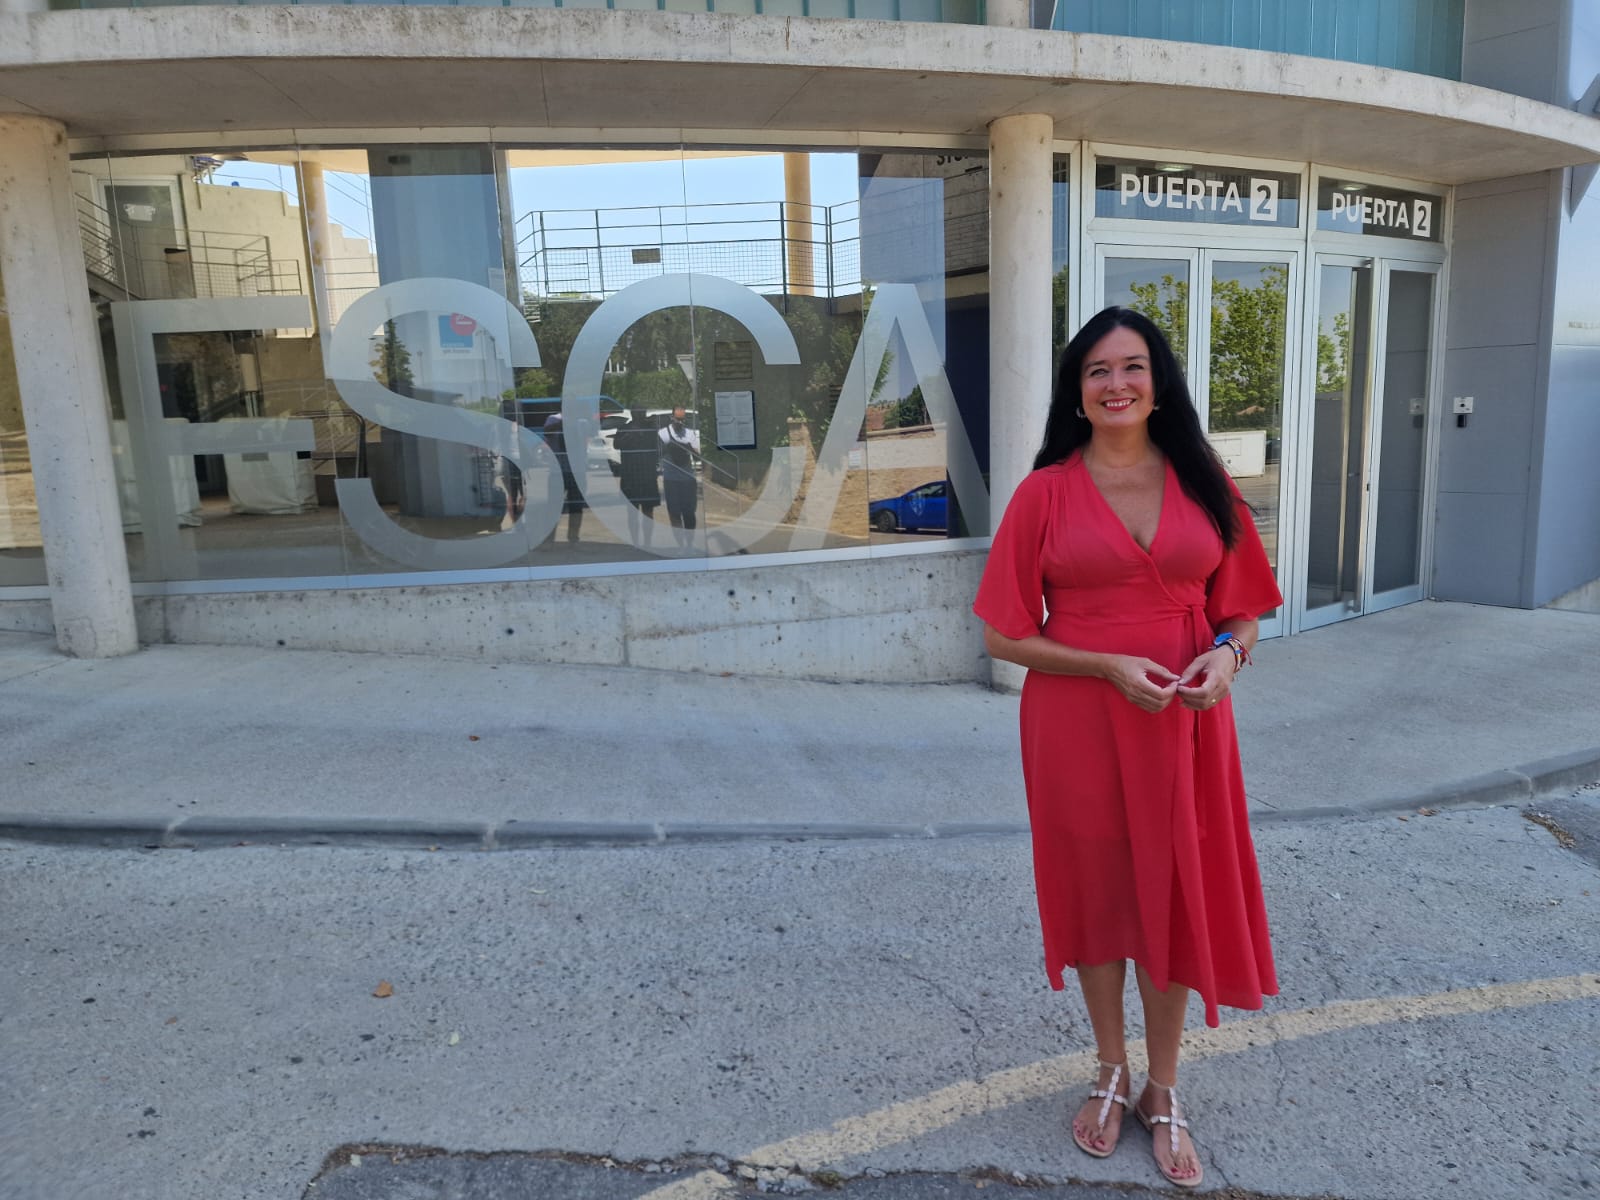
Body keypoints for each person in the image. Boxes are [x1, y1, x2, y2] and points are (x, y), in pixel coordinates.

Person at [973, 306, 1281, 1190]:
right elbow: (1001, 635)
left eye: (1133, 367)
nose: (1117, 385)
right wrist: (1104, 664)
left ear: (1159, 381)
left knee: (1176, 893)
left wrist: (1229, 655)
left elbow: (1244, 609)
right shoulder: (1044, 493)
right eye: (1098, 371)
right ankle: (1109, 1068)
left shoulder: (1201, 477)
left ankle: (1164, 1085)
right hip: (1078, 721)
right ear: (1077, 391)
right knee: (1103, 897)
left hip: (1185, 721)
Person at [614, 407, 661, 550]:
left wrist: (653, 427)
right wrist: (629, 435)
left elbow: (658, 448)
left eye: (642, 412)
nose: (640, 415)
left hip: (647, 474)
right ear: (632, 414)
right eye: (637, 412)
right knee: (632, 511)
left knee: (648, 511)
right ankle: (635, 542)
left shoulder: (651, 430)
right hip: (630, 474)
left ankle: (648, 542)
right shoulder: (624, 428)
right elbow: (617, 445)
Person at [658, 405, 701, 549]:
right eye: (677, 419)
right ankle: (680, 545)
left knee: (689, 513)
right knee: (674, 513)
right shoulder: (663, 433)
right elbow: (657, 453)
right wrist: (667, 448)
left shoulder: (690, 434)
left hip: (688, 478)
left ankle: (689, 543)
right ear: (672, 417)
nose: (680, 422)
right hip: (671, 478)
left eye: (682, 419)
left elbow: (698, 455)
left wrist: (689, 448)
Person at [541, 412, 584, 544]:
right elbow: (546, 433)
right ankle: (549, 539)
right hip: (557, 471)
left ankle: (573, 538)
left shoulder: (581, 422)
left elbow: (584, 442)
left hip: (576, 471)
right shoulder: (553, 419)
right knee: (553, 506)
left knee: (576, 507)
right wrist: (561, 424)